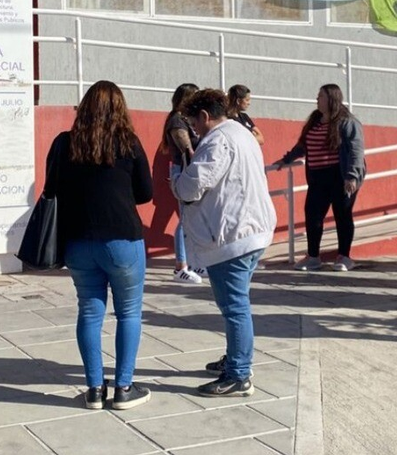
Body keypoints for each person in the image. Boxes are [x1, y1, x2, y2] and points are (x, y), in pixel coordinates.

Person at [44, 81, 154, 410]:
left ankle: (94, 390)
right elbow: (146, 192)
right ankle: (123, 388)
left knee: (90, 313)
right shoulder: (128, 143)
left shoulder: (64, 143)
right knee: (129, 312)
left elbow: (51, 188)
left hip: (78, 241)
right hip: (122, 238)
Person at [174, 89, 276, 397]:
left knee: (234, 306)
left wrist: (177, 183)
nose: (193, 128)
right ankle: (236, 357)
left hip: (233, 236)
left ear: (204, 116)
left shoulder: (217, 140)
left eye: (193, 121)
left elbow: (194, 184)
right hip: (249, 230)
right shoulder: (241, 132)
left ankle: (239, 373)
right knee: (237, 301)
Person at [273, 84, 366, 272]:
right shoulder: (315, 120)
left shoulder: (347, 122)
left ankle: (344, 257)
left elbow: (356, 150)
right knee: (313, 215)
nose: (317, 100)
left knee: (342, 215)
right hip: (317, 177)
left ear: (331, 99)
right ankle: (313, 256)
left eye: (321, 96)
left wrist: (352, 176)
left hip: (340, 176)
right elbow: (303, 145)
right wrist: (287, 159)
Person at [159, 83, 206, 283]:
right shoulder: (177, 121)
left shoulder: (185, 119)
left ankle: (194, 262)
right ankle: (181, 266)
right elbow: (188, 149)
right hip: (184, 170)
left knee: (193, 217)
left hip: (189, 169)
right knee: (185, 218)